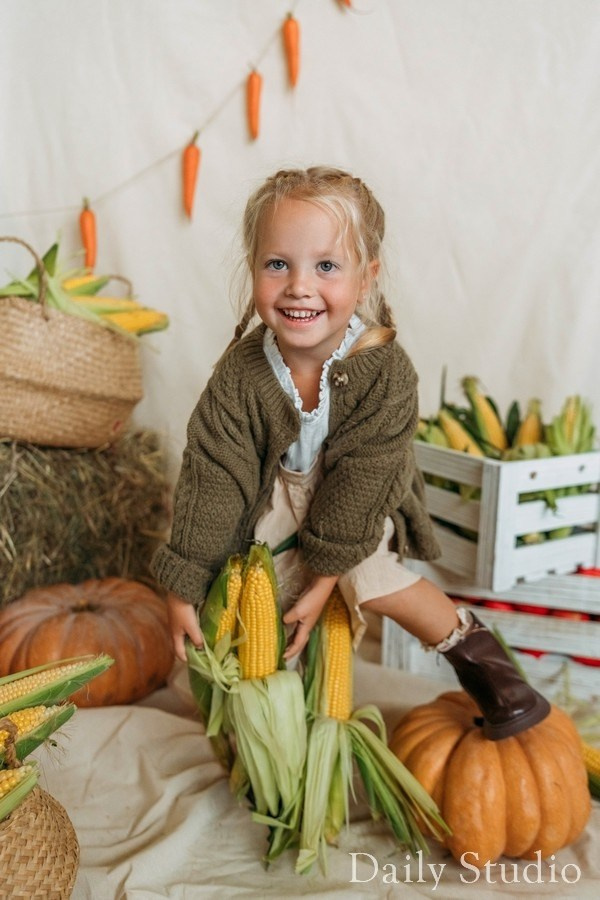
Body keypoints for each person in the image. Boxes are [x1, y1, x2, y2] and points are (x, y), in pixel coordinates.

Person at [152, 165, 549, 741]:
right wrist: (184, 580)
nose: (299, 286)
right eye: (277, 264)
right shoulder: (240, 376)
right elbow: (215, 474)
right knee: (259, 587)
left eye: (326, 266)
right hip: (273, 495)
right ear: (253, 268)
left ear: (366, 279)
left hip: (358, 502)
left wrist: (324, 581)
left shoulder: (385, 372)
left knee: (369, 577)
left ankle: (482, 661)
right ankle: (278, 723)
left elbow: (364, 478)